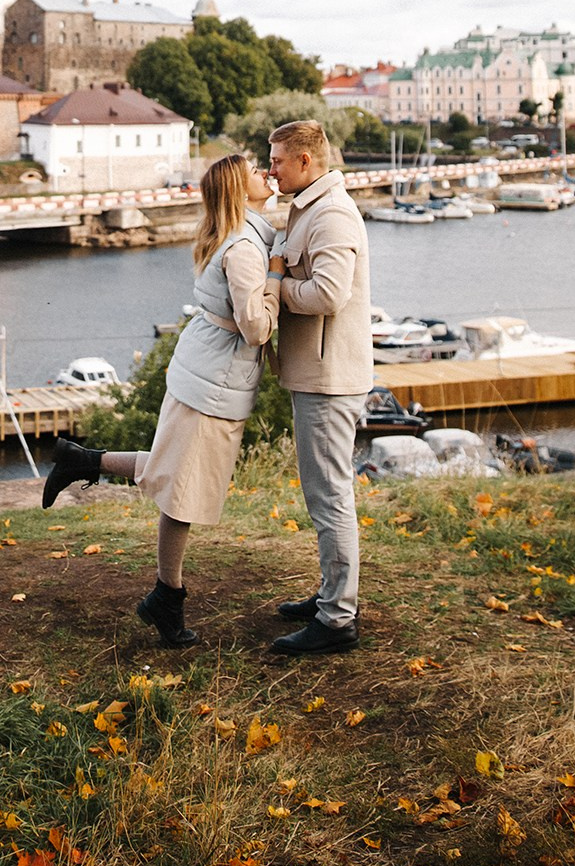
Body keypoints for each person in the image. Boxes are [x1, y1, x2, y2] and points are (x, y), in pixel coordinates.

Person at [41, 153, 284, 647]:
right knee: (183, 489)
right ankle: (165, 597)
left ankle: (81, 460)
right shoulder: (244, 248)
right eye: (257, 169)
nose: (266, 172)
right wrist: (277, 279)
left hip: (204, 370)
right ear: (240, 188)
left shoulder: (240, 234)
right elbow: (257, 327)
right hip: (213, 379)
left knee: (180, 471)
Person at [266, 119, 372, 656]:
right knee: (324, 493)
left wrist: (278, 287)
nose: (271, 169)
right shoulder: (311, 204)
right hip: (318, 372)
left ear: (305, 161)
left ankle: (337, 620)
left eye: (279, 160)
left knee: (330, 496)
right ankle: (333, 593)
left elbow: (329, 294)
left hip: (329, 379)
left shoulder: (331, 213)